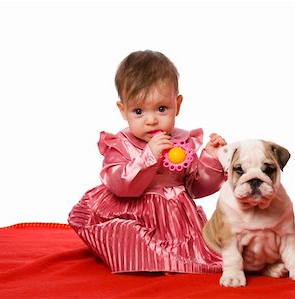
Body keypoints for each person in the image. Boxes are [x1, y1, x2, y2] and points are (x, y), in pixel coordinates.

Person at [68, 50, 226, 273]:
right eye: (139, 111)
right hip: (134, 210)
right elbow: (120, 185)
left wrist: (211, 158)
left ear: (177, 105)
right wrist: (148, 158)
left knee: (204, 251)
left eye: (162, 109)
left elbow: (196, 187)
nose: (151, 120)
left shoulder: (182, 141)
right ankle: (140, 254)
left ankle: (169, 256)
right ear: (123, 110)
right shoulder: (121, 143)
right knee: (128, 238)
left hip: (174, 219)